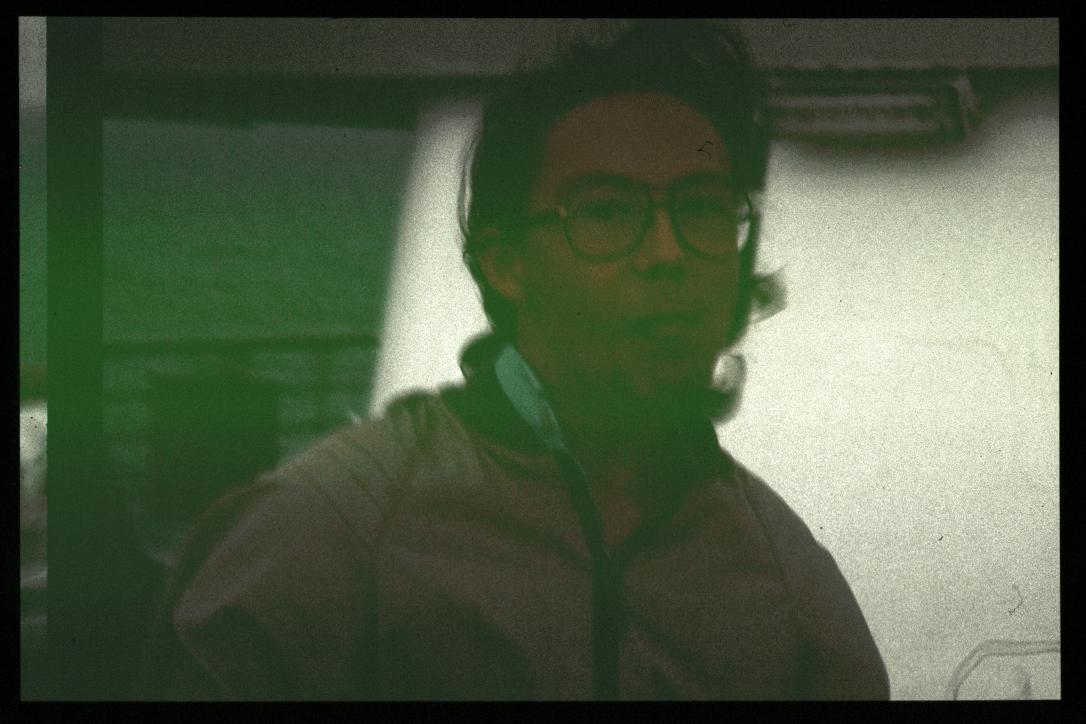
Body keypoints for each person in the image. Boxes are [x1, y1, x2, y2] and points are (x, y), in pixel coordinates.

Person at [141, 20, 890, 700]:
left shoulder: (788, 587)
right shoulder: (326, 540)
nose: (669, 253)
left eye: (701, 209)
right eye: (606, 211)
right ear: (507, 262)